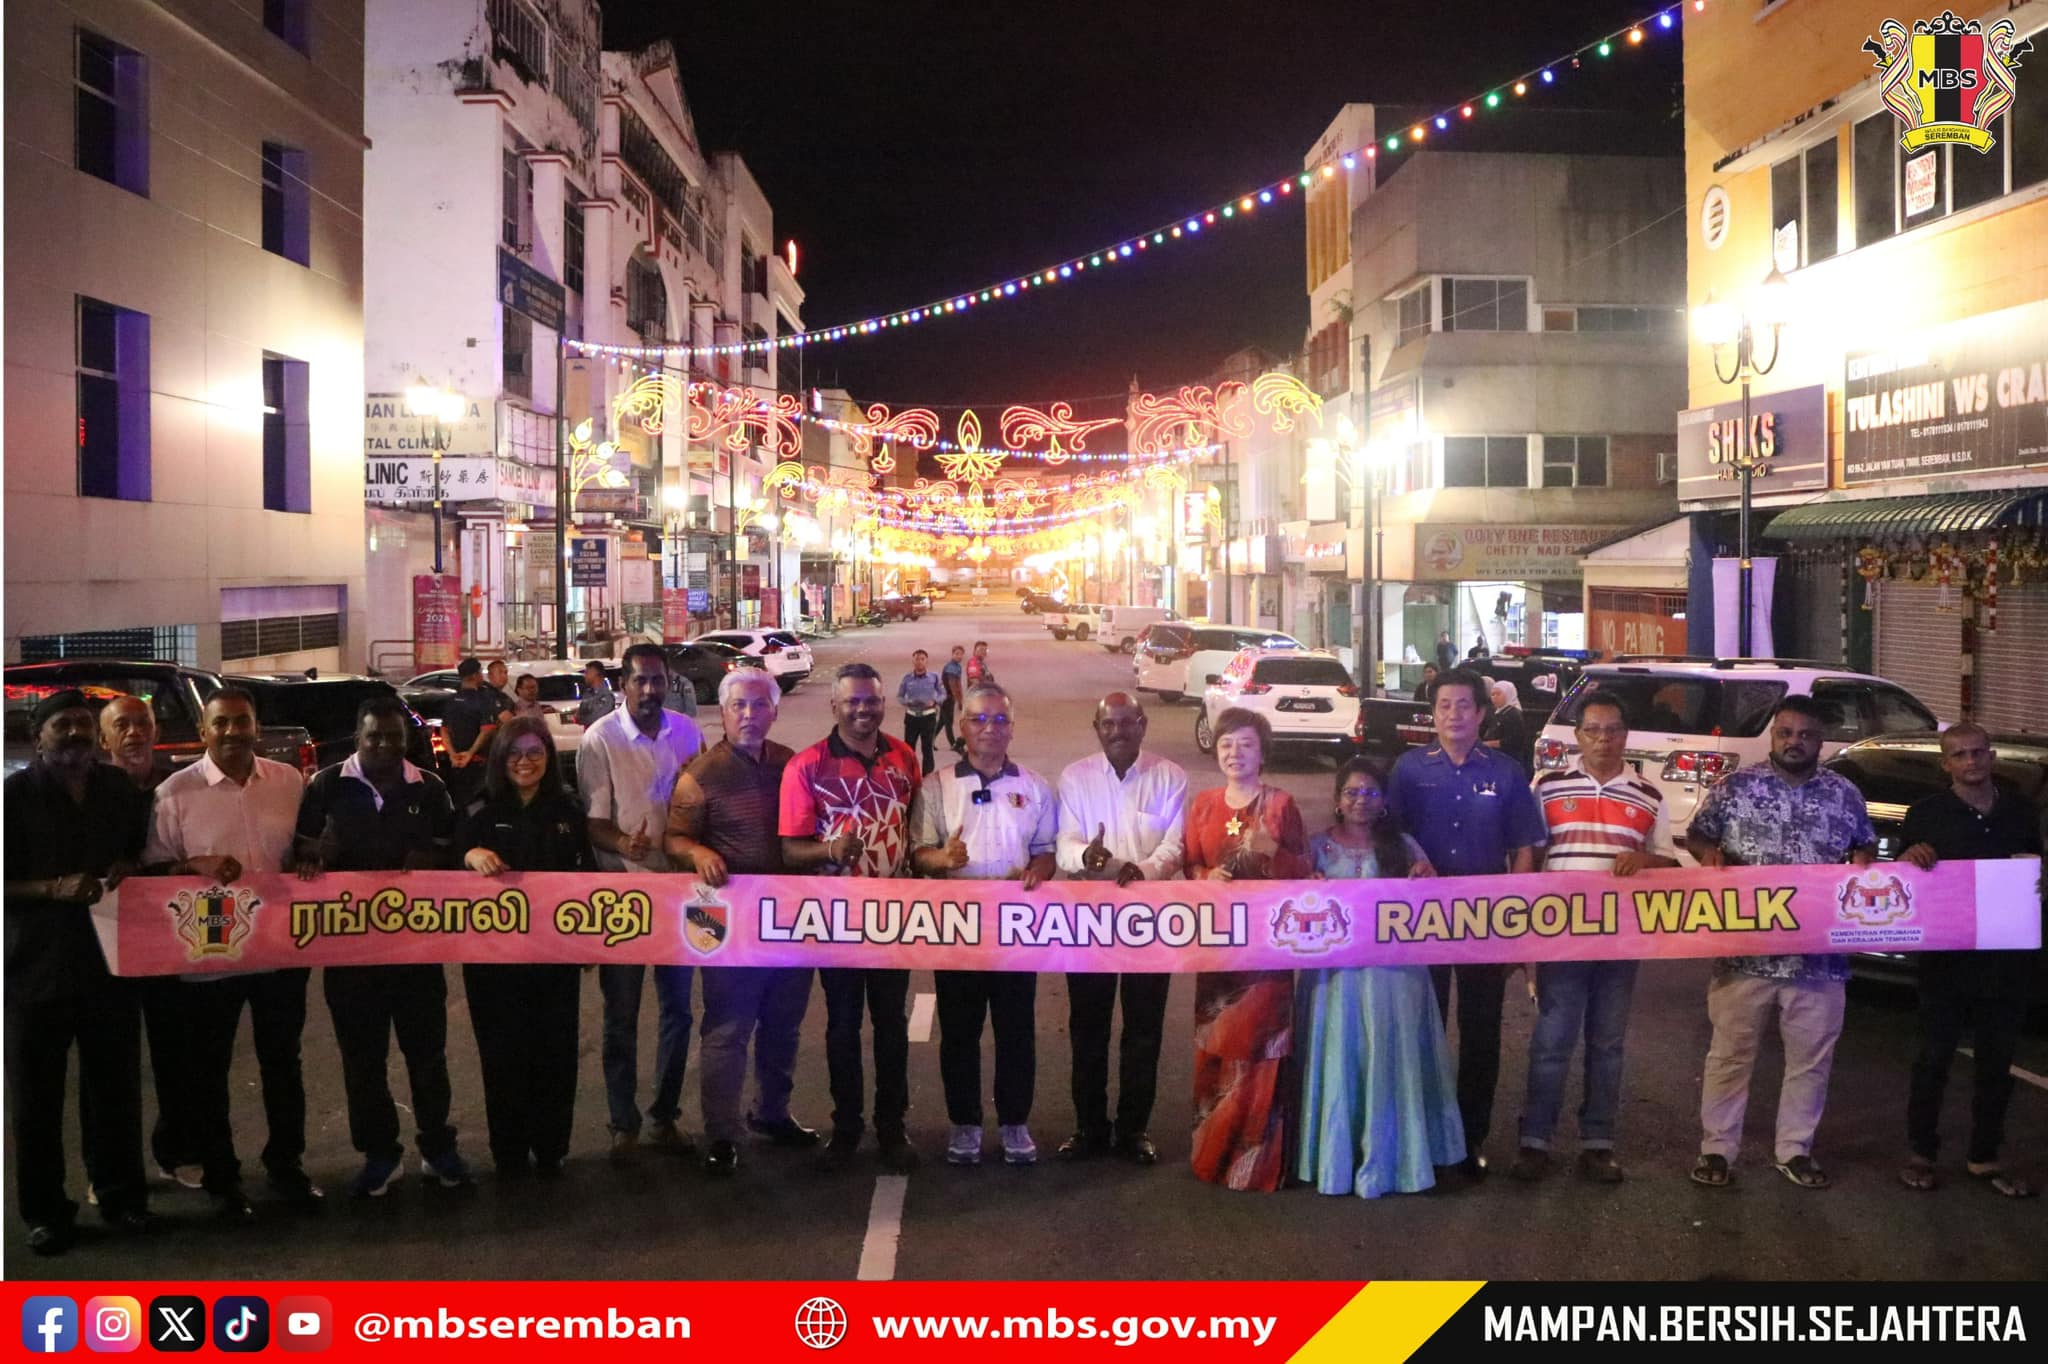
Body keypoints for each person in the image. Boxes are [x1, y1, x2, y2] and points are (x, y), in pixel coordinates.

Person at [1686, 694, 1876, 1191]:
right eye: (1786, 733)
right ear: (1773, 735)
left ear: (1820, 740)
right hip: (1743, 956)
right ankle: (1716, 1149)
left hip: (1819, 960)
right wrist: (1710, 857)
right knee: (1729, 1056)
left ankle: (1795, 1150)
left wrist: (1863, 861)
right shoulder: (1735, 786)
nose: (1795, 742)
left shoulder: (1845, 794)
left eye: (1806, 735)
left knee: (1810, 1062)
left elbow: (1864, 845)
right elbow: (1698, 835)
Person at [143, 687, 319, 1216]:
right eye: (220, 723)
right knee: (209, 1068)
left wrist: (310, 856)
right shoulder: (174, 793)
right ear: (203, 731)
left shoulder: (288, 782)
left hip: (279, 951)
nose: (232, 732)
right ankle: (222, 1176)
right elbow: (153, 873)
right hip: (210, 953)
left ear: (256, 727)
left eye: (242, 721)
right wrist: (191, 866)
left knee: (282, 1062)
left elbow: (304, 846)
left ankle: (286, 1164)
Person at [297, 696, 470, 1196]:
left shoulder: (429, 787)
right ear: (359, 736)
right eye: (374, 735)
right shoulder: (326, 785)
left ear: (406, 739)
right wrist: (314, 858)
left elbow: (451, 850)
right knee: (362, 1061)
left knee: (428, 1057)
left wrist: (432, 860)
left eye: (394, 736)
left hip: (417, 951)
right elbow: (301, 849)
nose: (385, 745)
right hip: (351, 955)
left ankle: (437, 1148)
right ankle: (379, 1154)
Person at [4, 690, 153, 1254]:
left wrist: (127, 865)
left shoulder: (117, 789)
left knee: (115, 1090)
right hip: (35, 970)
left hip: (108, 963)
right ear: (38, 736)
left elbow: (137, 852)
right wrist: (52, 888)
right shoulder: (14, 797)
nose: (75, 733)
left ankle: (121, 1197)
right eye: (62, 724)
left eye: (83, 724)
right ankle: (45, 1213)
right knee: (36, 1102)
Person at [1511, 691, 1675, 1183]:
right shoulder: (1546, 786)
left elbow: (1669, 861)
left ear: (1626, 735)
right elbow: (1530, 858)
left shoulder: (1650, 794)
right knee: (1552, 1040)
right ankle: (1534, 1140)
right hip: (1561, 937)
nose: (1604, 739)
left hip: (1621, 938)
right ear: (1577, 736)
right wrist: (1524, 936)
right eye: (1593, 730)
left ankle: (1598, 1144)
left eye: (1614, 730)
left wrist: (1645, 860)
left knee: (1608, 1043)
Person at [1389, 668, 1546, 1180]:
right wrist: (1413, 859)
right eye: (1444, 705)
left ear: (1481, 714)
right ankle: (1427, 1135)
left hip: (1485, 921)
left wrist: (1516, 922)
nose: (1453, 714)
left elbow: (1524, 848)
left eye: (1464, 705)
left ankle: (1470, 1135)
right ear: (1432, 714)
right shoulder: (1409, 770)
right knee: (1424, 1025)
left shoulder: (1506, 772)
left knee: (1481, 1031)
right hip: (1421, 920)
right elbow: (1390, 834)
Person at [665, 669, 819, 1176]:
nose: (749, 715)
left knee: (784, 1025)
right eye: (738, 706)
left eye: (758, 705)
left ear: (775, 710)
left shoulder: (792, 765)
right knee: (728, 1030)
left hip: (790, 919)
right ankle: (722, 1134)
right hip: (730, 925)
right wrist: (698, 852)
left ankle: (772, 1113)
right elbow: (674, 837)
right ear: (724, 713)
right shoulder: (700, 775)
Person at [1297, 757, 1464, 1198]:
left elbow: (1433, 907)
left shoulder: (1404, 846)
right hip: (1336, 982)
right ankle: (1338, 1158)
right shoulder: (1316, 848)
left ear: (1384, 801)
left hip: (1395, 979)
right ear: (1337, 800)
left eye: (1371, 792)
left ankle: (1401, 1158)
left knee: (1393, 1061)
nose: (1361, 800)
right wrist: (1305, 884)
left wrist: (1426, 879)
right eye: (1352, 792)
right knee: (1343, 1059)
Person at [780, 662, 923, 1172]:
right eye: (853, 701)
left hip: (893, 918)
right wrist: (829, 849)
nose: (863, 709)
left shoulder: (904, 757)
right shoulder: (807, 766)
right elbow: (790, 850)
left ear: (884, 703)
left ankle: (892, 1126)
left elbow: (914, 831)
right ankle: (846, 1127)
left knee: (891, 1026)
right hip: (836, 919)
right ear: (834, 706)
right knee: (842, 1027)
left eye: (872, 701)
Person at [910, 683, 1057, 1167]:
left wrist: (1039, 870)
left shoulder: (1035, 787)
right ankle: (965, 1123)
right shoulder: (936, 786)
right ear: (961, 727)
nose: (989, 728)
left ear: (1012, 728)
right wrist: (942, 858)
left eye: (999, 720)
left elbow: (1046, 851)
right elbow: (918, 853)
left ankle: (1015, 1122)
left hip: (1016, 929)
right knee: (959, 1032)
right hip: (959, 929)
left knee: (1016, 1031)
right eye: (978, 719)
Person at [1896, 722, 2040, 1199]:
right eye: (1959, 754)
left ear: (1992, 756)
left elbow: (2035, 869)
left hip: (2006, 958)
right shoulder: (1926, 813)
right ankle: (1922, 1153)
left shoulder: (2019, 809)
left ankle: (1985, 1156)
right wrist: (1909, 857)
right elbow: (1904, 877)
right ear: (1946, 764)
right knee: (1932, 1059)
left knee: (1997, 1064)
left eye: (1978, 752)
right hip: (1946, 958)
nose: (1971, 761)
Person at [578, 642, 705, 1160]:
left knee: (678, 1012)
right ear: (622, 685)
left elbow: (704, 802)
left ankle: (664, 1118)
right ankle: (623, 1123)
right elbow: (593, 822)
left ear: (669, 682)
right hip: (623, 899)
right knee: (622, 1017)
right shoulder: (600, 739)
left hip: (679, 894)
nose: (650, 690)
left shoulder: (688, 732)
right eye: (640, 681)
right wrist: (622, 843)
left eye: (658, 680)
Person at [1053, 692, 1187, 1164]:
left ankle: (1134, 1130)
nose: (1117, 732)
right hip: (1090, 918)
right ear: (1097, 728)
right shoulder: (1076, 777)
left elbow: (1176, 845)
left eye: (1127, 723)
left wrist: (1142, 871)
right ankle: (1089, 1127)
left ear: (1142, 725)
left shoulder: (1170, 777)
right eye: (1108, 724)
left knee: (1144, 1029)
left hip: (1150, 919)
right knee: (1088, 1028)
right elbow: (1065, 840)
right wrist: (1083, 856)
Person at [1183, 708, 1311, 1192]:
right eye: (1226, 745)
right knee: (1217, 1044)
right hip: (1218, 950)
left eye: (1246, 744)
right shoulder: (1203, 805)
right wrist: (1204, 876)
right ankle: (1212, 1158)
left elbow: (1307, 873)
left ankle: (1258, 1166)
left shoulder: (1281, 805)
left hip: (1267, 954)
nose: (1235, 753)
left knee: (1261, 1050)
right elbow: (1189, 865)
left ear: (1262, 752)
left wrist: (1272, 851)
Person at [457, 717, 589, 1179]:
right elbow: (443, 869)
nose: (524, 761)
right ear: (500, 758)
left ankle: (552, 1147)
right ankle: (509, 1151)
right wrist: (469, 855)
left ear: (549, 756)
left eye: (535, 751)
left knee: (555, 1054)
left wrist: (589, 943)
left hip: (555, 960)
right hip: (493, 966)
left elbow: (589, 880)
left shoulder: (569, 810)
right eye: (514, 752)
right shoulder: (478, 808)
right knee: (502, 1057)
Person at [97, 695, 199, 1192]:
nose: (134, 733)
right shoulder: (89, 791)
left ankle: (176, 1151)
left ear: (156, 731)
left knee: (177, 1053)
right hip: (107, 943)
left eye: (143, 723)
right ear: (105, 739)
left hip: (170, 940)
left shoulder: (175, 787)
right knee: (110, 1065)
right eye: (122, 725)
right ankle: (110, 1169)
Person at [444, 658, 511, 806]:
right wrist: (470, 753)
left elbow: (444, 730)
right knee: (480, 803)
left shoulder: (452, 699)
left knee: (460, 803)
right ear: (474, 675)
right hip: (479, 762)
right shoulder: (483, 699)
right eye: (480, 672)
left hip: (457, 764)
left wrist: (452, 755)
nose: (482, 676)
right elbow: (486, 730)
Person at [897, 650, 947, 776]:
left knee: (927, 748)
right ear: (913, 661)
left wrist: (935, 701)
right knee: (909, 749)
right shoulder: (907, 678)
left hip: (928, 717)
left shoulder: (934, 677)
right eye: (917, 659)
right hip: (911, 717)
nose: (919, 662)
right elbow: (900, 696)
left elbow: (943, 694)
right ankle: (910, 775)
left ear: (927, 661)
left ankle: (927, 776)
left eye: (922, 659)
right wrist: (908, 702)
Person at [1483, 679, 1533, 774]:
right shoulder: (1500, 712)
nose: (1495, 697)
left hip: (1509, 762)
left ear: (1508, 694)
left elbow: (1514, 741)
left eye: (1498, 694)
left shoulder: (1513, 714)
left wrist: (1487, 744)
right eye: (1492, 694)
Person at [940, 644, 967, 755]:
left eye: (961, 654)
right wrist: (959, 700)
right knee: (948, 721)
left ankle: (931, 740)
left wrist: (961, 698)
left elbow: (958, 684)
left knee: (942, 721)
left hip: (949, 697)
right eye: (957, 654)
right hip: (947, 697)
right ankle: (953, 744)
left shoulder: (957, 666)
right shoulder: (951, 668)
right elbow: (953, 686)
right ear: (952, 654)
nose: (959, 656)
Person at [575, 660, 617, 728]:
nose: (585, 676)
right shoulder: (588, 693)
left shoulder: (607, 696)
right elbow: (578, 716)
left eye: (587, 673)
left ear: (595, 674)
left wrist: (582, 718)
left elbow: (598, 719)